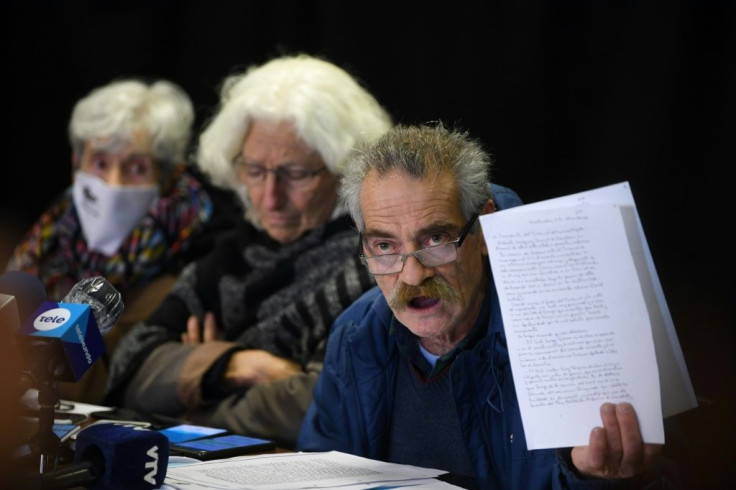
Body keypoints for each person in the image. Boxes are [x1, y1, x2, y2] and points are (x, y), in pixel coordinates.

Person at [297, 123, 667, 489]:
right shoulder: (355, 335)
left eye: (436, 238)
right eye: (384, 246)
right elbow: (320, 471)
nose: (411, 276)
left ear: (486, 226)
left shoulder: (574, 330)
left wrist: (590, 478)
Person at [103, 54, 394, 449]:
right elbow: (128, 373)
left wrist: (191, 407)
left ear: (344, 172)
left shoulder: (373, 262)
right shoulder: (225, 260)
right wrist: (238, 365)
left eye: (295, 174)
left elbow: (323, 407)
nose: (270, 198)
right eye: (254, 171)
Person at [5, 78, 239, 404]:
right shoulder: (45, 247)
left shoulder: (201, 273)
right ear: (76, 166)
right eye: (100, 163)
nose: (113, 184)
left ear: (169, 178)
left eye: (137, 168)